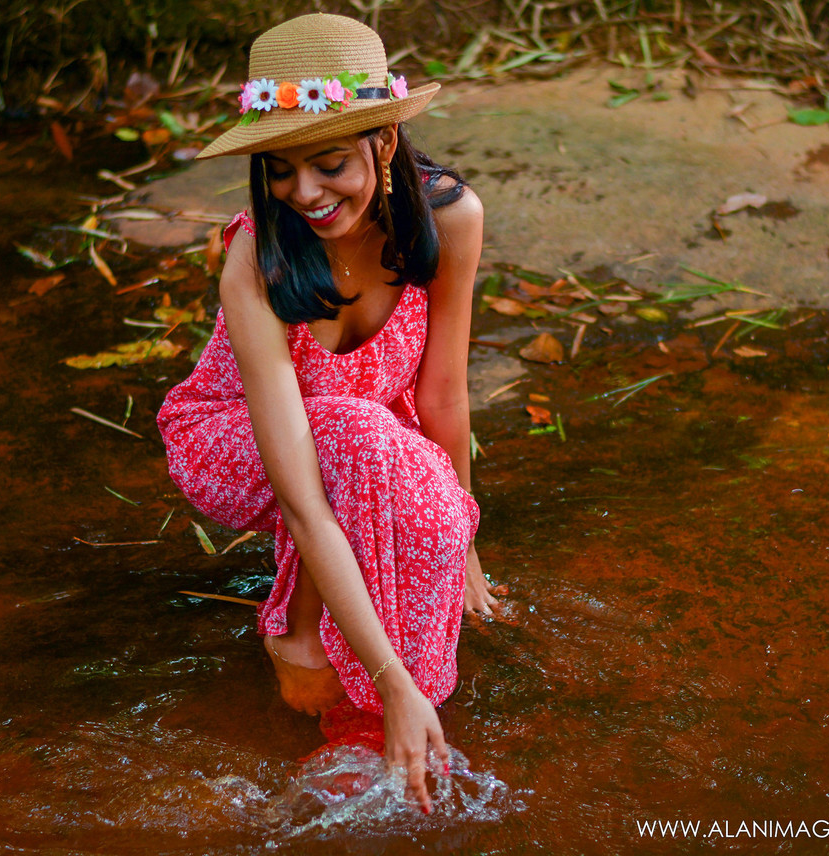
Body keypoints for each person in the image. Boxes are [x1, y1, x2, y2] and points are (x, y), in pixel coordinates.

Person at [156, 12, 499, 814]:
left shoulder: (450, 220)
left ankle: (390, 726)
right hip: (236, 443)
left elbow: (444, 397)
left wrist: (465, 542)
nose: (304, 193)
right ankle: (317, 644)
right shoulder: (255, 256)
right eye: (280, 170)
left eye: (330, 163)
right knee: (358, 432)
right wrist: (391, 678)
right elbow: (303, 498)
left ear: (384, 140)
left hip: (368, 435)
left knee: (412, 484)